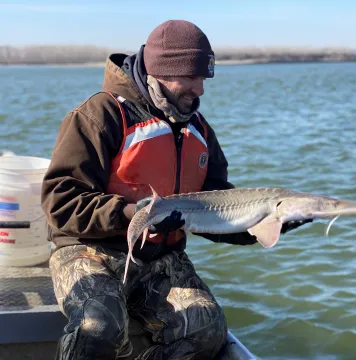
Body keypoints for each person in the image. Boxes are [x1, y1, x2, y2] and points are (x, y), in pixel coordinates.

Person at [41, 20, 311, 360]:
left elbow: (218, 211)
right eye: (191, 78)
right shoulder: (100, 115)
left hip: (159, 258)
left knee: (208, 329)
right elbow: (61, 202)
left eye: (204, 78)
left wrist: (265, 224)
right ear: (160, 72)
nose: (200, 89)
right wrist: (135, 215)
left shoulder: (199, 130)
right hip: (89, 249)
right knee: (99, 327)